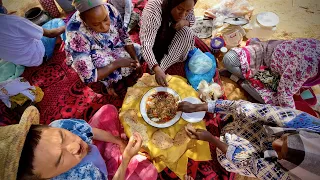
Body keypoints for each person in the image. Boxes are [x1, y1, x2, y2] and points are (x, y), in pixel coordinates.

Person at [0, 105, 157, 180]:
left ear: (46, 127)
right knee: (149, 173)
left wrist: (118, 141)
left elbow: (91, 132)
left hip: (96, 154)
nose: (76, 146)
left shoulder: (59, 125)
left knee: (108, 110)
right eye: (60, 159)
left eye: (62, 136)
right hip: (104, 175)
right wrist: (127, 158)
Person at [178, 99, 320, 180]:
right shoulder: (306, 123)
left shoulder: (287, 177)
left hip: (258, 157)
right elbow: (249, 108)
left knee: (225, 158)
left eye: (281, 153)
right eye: (284, 139)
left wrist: (212, 139)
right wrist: (200, 106)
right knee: (246, 114)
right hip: (267, 130)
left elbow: (249, 161)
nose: (275, 143)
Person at [65, 0, 141, 96]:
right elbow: (88, 76)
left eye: (105, 19)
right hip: (92, 54)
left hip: (111, 45)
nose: (104, 27)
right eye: (96, 24)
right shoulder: (75, 32)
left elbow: (124, 37)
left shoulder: (110, 9)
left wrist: (136, 60)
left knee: (137, 50)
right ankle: (106, 85)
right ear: (84, 20)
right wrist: (117, 63)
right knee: (106, 67)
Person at [222, 38, 320, 108]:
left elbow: (285, 93)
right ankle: (242, 79)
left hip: (282, 76)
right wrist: (291, 116)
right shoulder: (308, 63)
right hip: (265, 57)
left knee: (274, 102)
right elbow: (284, 94)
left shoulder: (308, 67)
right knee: (229, 59)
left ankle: (241, 79)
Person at [140, 0, 196, 86]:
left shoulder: (187, 4)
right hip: (155, 39)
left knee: (187, 33)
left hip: (171, 32)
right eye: (179, 9)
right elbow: (146, 45)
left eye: (187, 11)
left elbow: (192, 19)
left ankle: (162, 67)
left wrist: (185, 22)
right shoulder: (153, 9)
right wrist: (155, 66)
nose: (183, 14)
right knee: (152, 56)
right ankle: (157, 68)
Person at [0, 12, 65, 67]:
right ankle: (67, 43)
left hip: (24, 63)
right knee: (58, 22)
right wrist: (66, 26)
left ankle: (57, 40)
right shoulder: (12, 21)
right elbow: (51, 34)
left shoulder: (10, 21)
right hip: (40, 55)